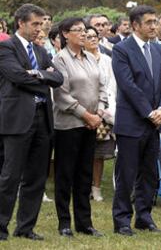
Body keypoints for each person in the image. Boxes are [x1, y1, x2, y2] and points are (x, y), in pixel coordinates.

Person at [0, 3, 63, 241]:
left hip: (42, 119)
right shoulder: (6, 48)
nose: (40, 28)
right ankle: (1, 225)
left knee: (36, 178)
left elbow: (58, 78)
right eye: (35, 24)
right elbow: (15, 76)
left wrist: (37, 74)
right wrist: (42, 77)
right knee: (10, 176)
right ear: (21, 23)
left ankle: (25, 227)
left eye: (42, 23)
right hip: (16, 120)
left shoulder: (41, 51)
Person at [111, 5, 161, 236]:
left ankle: (144, 217)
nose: (154, 26)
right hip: (132, 122)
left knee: (149, 174)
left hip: (155, 122)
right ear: (135, 25)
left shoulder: (158, 50)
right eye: (149, 22)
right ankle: (122, 221)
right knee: (126, 174)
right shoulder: (122, 50)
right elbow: (127, 85)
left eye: (156, 22)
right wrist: (149, 112)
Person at [53, 17, 107, 237]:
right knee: (65, 175)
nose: (84, 34)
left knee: (84, 175)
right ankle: (64, 223)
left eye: (85, 30)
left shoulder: (91, 58)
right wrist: (86, 115)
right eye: (78, 30)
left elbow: (102, 87)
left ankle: (84, 223)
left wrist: (100, 111)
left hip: (91, 124)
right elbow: (61, 95)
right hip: (69, 125)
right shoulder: (60, 59)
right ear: (66, 34)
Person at [84, 26, 117, 202]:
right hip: (84, 110)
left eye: (95, 36)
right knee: (83, 152)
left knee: (99, 154)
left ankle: (96, 188)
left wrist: (107, 108)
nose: (93, 39)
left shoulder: (107, 60)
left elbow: (113, 86)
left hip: (105, 111)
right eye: (88, 37)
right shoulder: (80, 59)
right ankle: (82, 185)